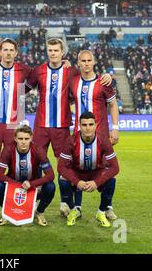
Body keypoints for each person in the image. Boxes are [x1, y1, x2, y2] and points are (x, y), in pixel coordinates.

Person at [26, 38, 112, 217]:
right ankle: (31, 199)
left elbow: (89, 75)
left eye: (56, 50)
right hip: (41, 124)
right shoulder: (38, 71)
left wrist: (108, 75)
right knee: (34, 162)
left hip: (63, 126)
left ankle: (67, 203)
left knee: (66, 164)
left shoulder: (71, 71)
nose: (53, 53)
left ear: (62, 52)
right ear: (47, 51)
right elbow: (23, 87)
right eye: (50, 50)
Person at [0, 38, 32, 217]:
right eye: (5, 50)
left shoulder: (23, 70)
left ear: (16, 53)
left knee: (12, 162)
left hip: (13, 123)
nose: (8, 53)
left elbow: (38, 78)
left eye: (12, 50)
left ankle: (15, 200)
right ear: (0, 52)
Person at [67, 50, 120, 219]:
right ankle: (77, 207)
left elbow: (113, 106)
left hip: (101, 134)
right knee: (77, 168)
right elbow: (67, 101)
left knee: (106, 169)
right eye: (83, 61)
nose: (86, 63)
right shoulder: (74, 82)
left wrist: (115, 128)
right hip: (78, 133)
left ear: (94, 62)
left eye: (89, 60)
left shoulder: (104, 82)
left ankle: (107, 207)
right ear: (78, 63)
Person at [58, 112, 119, 227]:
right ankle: (73, 210)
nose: (88, 128)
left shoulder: (104, 140)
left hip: (96, 172)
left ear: (96, 125)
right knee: (62, 179)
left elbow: (115, 168)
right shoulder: (71, 141)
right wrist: (77, 182)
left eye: (91, 124)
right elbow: (60, 166)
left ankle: (101, 212)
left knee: (112, 179)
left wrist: (97, 182)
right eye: (84, 125)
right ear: (79, 126)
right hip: (77, 172)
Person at [0, 124, 55, 227]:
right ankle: (7, 213)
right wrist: (17, 185)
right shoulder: (8, 149)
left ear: (31, 138)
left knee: (50, 186)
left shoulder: (38, 150)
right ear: (15, 138)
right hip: (13, 189)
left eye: (26, 138)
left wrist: (32, 184)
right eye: (20, 138)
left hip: (32, 189)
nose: (23, 142)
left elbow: (51, 175)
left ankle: (39, 212)